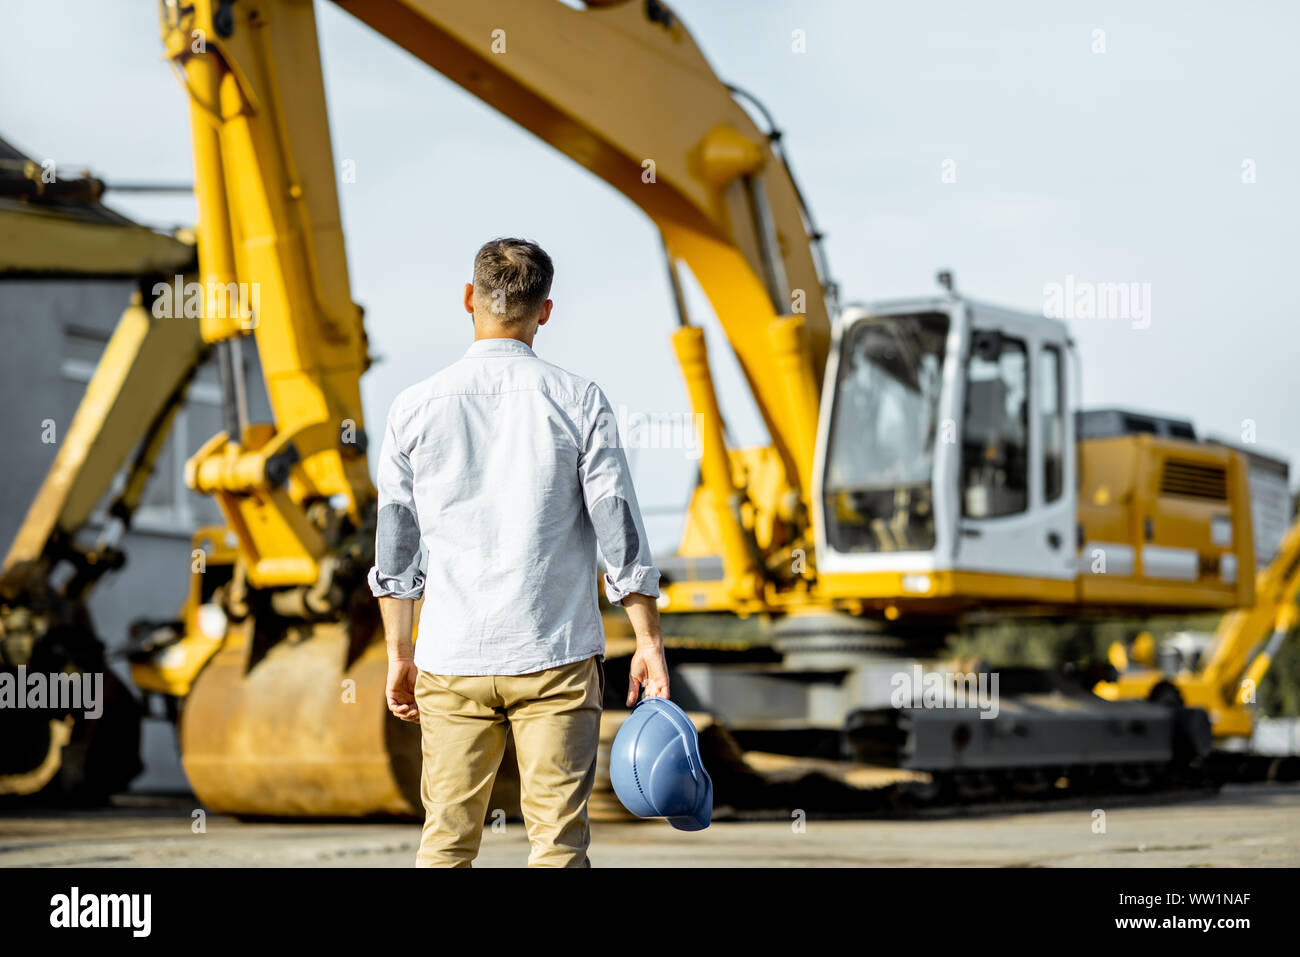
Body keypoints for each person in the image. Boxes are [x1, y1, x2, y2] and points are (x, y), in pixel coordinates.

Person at [368, 237, 670, 867]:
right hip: (553, 656)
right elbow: (619, 530)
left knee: (446, 841)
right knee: (557, 846)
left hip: (450, 660)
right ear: (546, 311)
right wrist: (648, 642)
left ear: (470, 299)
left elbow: (396, 552)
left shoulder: (413, 409)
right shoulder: (580, 401)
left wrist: (400, 654)